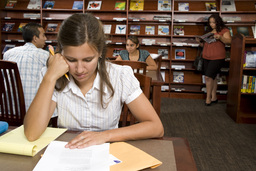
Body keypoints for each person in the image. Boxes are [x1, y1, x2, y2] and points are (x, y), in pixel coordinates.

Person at [24, 13, 164, 149]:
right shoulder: (52, 76)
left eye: (88, 60)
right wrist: (49, 77)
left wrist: (104, 135)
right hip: (68, 152)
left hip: (107, 153)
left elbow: (156, 127)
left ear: (100, 52)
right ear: (61, 54)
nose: (79, 69)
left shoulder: (120, 75)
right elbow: (31, 133)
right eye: (71, 60)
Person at [3, 22, 48, 111]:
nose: (45, 39)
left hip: (9, 109)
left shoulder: (8, 53)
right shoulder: (45, 55)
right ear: (35, 38)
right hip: (33, 111)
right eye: (43, 36)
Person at [196, 14, 232, 106]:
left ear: (218, 22)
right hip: (206, 56)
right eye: (210, 22)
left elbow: (229, 41)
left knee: (208, 77)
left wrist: (220, 37)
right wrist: (199, 42)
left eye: (213, 22)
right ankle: (214, 97)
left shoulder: (224, 30)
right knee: (213, 77)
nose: (212, 24)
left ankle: (208, 99)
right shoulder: (208, 31)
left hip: (217, 57)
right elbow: (205, 45)